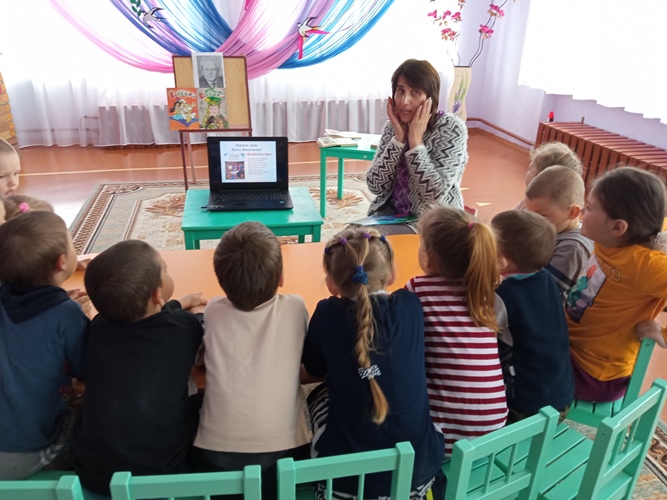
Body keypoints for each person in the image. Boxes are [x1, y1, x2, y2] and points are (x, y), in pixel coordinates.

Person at [303, 227, 446, 499]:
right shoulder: (411, 306)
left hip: (343, 485)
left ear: (331, 284)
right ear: (391, 274)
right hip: (416, 477)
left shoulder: (327, 313)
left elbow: (313, 368)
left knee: (315, 402)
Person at [72, 240, 207, 497]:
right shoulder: (183, 327)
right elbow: (195, 336)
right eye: (165, 270)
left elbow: (152, 317)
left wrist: (178, 303)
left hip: (93, 476)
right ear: (157, 295)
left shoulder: (99, 326)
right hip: (161, 476)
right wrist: (197, 312)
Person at [190, 222, 311, 500]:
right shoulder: (296, 307)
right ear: (281, 277)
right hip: (288, 456)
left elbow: (199, 360)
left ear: (221, 281)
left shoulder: (213, 310)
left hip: (214, 457)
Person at [406, 207, 508, 455]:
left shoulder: (418, 289)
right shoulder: (484, 293)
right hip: (493, 431)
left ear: (428, 258)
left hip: (442, 438)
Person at [0, 211, 88, 479]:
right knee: (89, 414)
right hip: (20, 455)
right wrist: (81, 319)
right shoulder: (67, 314)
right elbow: (84, 370)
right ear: (62, 262)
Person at [566, 167, 667, 402]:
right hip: (568, 346)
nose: (582, 210)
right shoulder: (609, 238)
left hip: (594, 374)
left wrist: (663, 333)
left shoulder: (644, 265)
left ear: (618, 227)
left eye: (590, 207)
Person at [365, 59, 468, 234]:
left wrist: (415, 142)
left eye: (415, 92)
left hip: (433, 221)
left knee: (370, 242)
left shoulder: (450, 128)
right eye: (400, 91)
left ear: (430, 98)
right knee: (348, 239)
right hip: (391, 215)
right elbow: (376, 186)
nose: (404, 101)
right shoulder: (392, 128)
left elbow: (433, 194)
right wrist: (398, 140)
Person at [491, 210, 574, 423]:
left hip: (526, 406)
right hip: (562, 396)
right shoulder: (545, 278)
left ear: (502, 261)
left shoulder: (503, 296)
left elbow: (479, 329)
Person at [524, 165, 594, 301]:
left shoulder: (572, 248)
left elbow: (544, 294)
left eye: (542, 216)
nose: (532, 222)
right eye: (529, 214)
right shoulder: (556, 228)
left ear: (572, 212)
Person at [515, 141, 583, 210]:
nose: (526, 173)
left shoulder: (525, 207)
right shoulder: (525, 204)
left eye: (530, 169)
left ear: (537, 180)